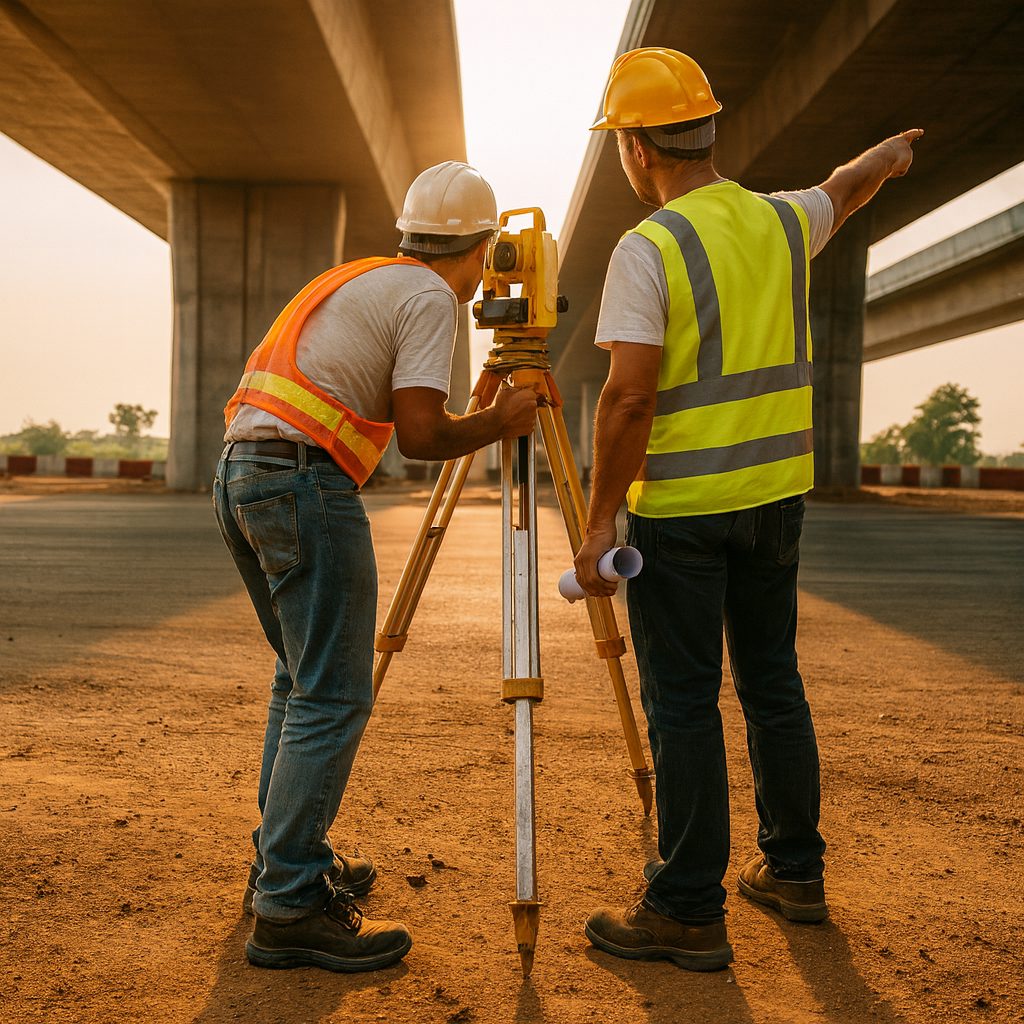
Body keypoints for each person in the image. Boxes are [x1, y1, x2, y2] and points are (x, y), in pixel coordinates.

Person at [574, 47, 922, 971]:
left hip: (683, 511)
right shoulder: (779, 220)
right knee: (773, 683)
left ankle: (687, 907)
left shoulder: (648, 247)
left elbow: (629, 398)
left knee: (684, 703)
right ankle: (795, 873)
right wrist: (888, 155)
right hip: (775, 501)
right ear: (707, 131)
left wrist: (600, 521)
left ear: (637, 148)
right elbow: (843, 190)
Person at [213, 161, 539, 973]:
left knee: (300, 682)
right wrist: (504, 421)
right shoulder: (430, 296)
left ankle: (282, 863)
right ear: (485, 247)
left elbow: (410, 413)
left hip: (243, 476)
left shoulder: (362, 277)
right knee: (331, 694)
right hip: (303, 486)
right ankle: (290, 904)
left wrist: (484, 404)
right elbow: (423, 437)